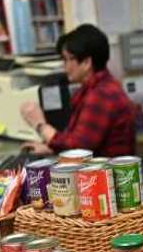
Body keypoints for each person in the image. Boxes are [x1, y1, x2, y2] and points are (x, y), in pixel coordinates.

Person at [19, 24, 136, 157]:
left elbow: (78, 150)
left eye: (68, 59)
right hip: (100, 170)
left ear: (86, 63)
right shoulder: (97, 87)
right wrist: (51, 148)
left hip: (109, 176)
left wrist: (39, 124)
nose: (65, 66)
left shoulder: (101, 95)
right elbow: (80, 140)